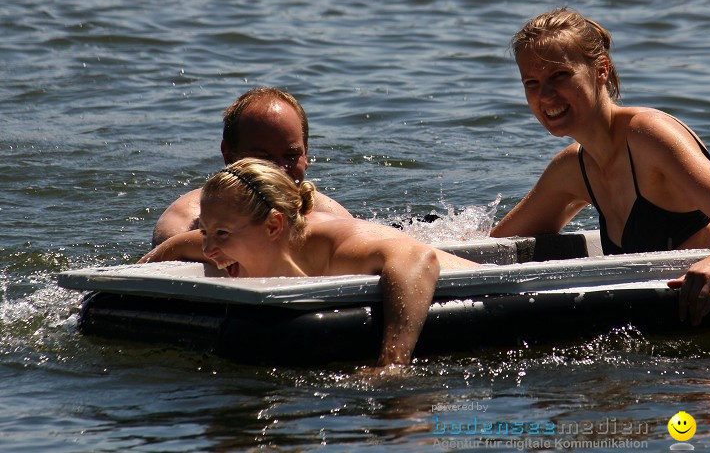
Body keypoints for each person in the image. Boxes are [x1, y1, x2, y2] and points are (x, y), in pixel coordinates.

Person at [491, 8, 710, 326]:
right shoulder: (572, 168)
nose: (545, 95)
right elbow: (498, 246)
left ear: (600, 70)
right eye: (531, 83)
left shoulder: (647, 134)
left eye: (559, 76)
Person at [142, 158, 479, 366]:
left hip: (493, 291)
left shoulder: (337, 246)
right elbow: (175, 248)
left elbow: (418, 257)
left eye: (222, 234)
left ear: (274, 225)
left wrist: (392, 362)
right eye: (205, 233)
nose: (210, 249)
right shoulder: (227, 244)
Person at [151, 87, 352, 249]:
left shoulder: (333, 217)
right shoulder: (183, 224)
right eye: (262, 158)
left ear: (306, 154)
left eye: (291, 156)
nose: (279, 170)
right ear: (228, 155)